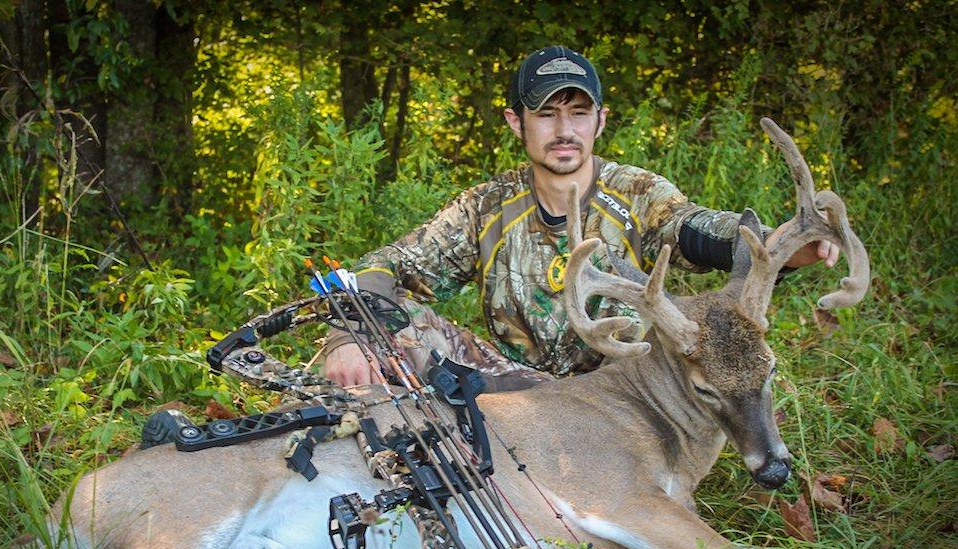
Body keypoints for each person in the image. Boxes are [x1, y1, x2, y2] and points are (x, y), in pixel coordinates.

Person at [324, 46, 838, 390]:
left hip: (624, 393)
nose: (564, 130)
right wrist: (349, 337)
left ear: (600, 119)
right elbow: (387, 265)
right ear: (515, 121)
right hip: (515, 392)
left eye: (578, 113)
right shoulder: (485, 207)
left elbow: (698, 232)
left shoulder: (636, 192)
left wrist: (781, 244)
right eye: (546, 114)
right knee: (401, 328)